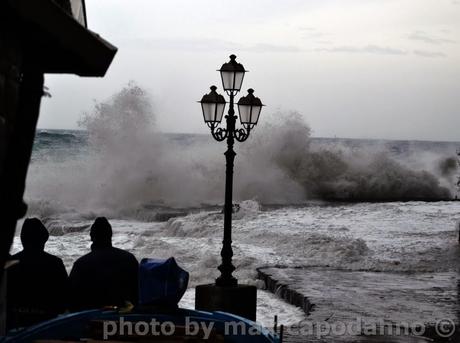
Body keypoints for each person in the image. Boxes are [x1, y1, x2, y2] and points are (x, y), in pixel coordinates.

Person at [7, 218, 68, 329]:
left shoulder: (11, 264)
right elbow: (65, 301)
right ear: (44, 239)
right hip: (48, 325)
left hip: (15, 326)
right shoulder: (55, 263)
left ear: (22, 239)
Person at [68, 217, 139, 311]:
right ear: (111, 235)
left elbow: (71, 299)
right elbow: (138, 292)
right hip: (125, 316)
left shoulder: (81, 264)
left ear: (91, 236)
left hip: (90, 318)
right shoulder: (129, 259)